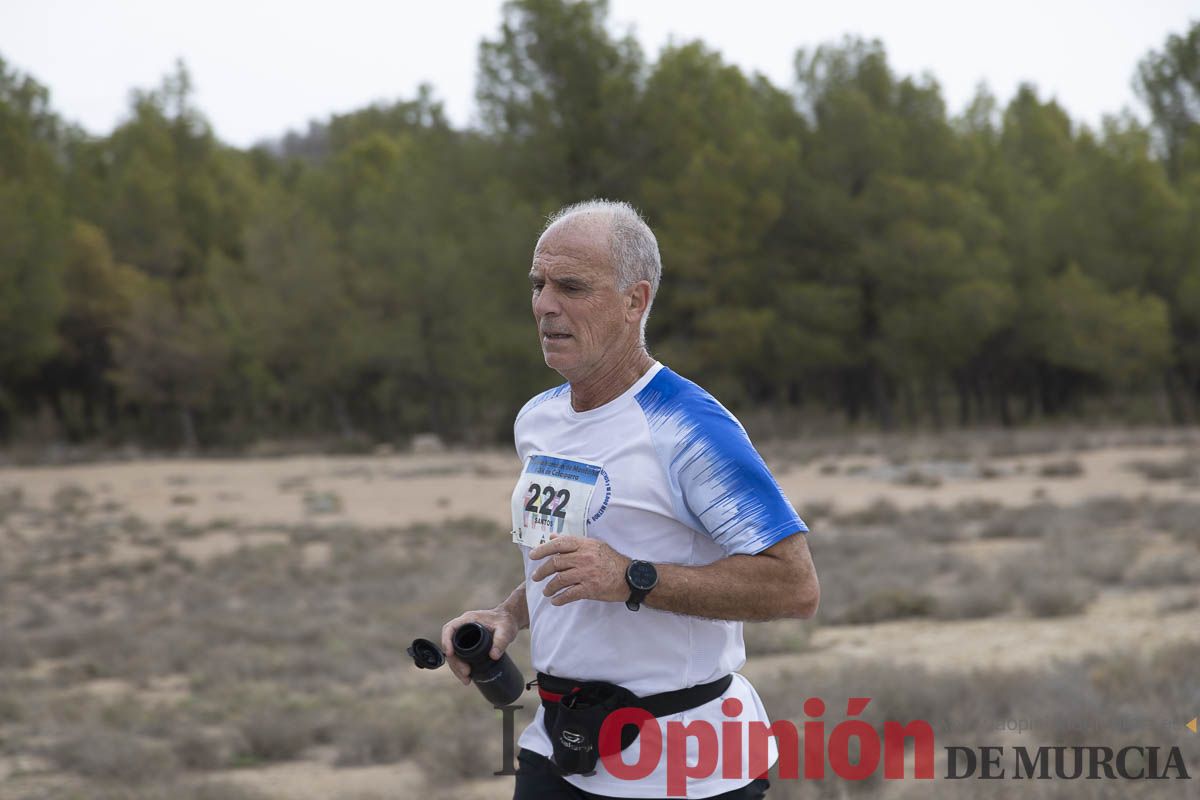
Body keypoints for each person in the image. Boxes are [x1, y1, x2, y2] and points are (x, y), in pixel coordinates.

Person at [441, 199, 819, 799]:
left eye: (571, 286)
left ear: (634, 301)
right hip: (559, 747)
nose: (544, 304)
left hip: (686, 764)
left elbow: (795, 587)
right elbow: (565, 561)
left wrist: (634, 578)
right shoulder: (538, 420)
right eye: (538, 284)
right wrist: (507, 617)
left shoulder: (689, 426)